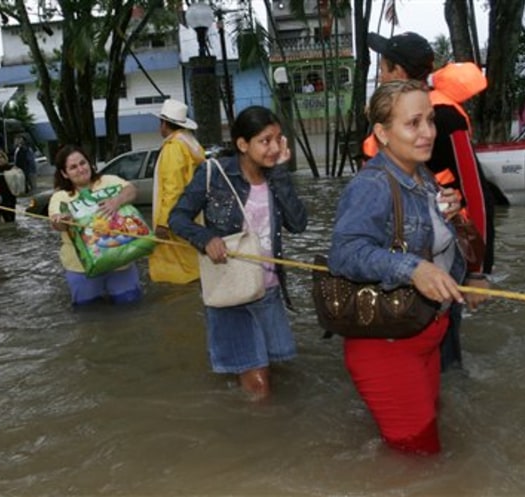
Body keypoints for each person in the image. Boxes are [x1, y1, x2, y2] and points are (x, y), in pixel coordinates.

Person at [328, 80, 471, 455]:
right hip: (388, 345)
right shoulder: (371, 185)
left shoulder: (420, 175)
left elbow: (422, 239)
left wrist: (449, 218)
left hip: (425, 332)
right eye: (413, 123)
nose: (427, 133)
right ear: (383, 133)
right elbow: (344, 253)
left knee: (424, 443)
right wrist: (412, 270)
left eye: (430, 120)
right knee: (419, 459)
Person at [365, 31, 495, 371]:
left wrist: (479, 272)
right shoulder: (389, 121)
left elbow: (477, 193)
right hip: (401, 254)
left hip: (445, 252)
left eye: (383, 67)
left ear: (398, 72)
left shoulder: (444, 118)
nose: (379, 74)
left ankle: (449, 405)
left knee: (444, 346)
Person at [168, 106, 308, 400]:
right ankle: (263, 439)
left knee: (276, 372)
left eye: (278, 139)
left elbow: (298, 224)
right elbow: (177, 218)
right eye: (265, 141)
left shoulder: (275, 176)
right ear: (243, 144)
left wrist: (281, 172)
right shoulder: (213, 173)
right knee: (259, 384)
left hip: (268, 290)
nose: (274, 148)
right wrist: (206, 238)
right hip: (231, 292)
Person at [48, 144, 142, 306]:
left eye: (83, 163)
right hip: (81, 268)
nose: (80, 169)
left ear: (90, 163)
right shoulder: (60, 197)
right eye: (73, 167)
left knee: (131, 307)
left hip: (121, 260)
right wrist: (64, 220)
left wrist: (116, 201)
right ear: (64, 173)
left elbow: (131, 190)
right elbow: (57, 226)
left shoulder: (108, 181)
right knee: (89, 316)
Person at [148, 98, 205, 284]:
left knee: (177, 269)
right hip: (191, 215)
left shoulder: (173, 148)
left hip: (174, 219)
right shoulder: (191, 145)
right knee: (192, 258)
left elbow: (173, 188)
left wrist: (164, 223)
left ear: (164, 124)